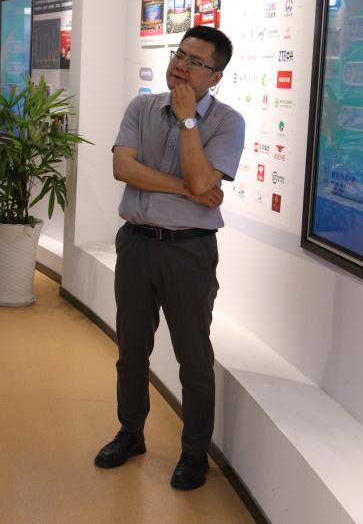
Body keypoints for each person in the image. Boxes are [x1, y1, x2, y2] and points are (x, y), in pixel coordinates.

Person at [94, 25, 245, 490]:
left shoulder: (227, 122)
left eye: (195, 62)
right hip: (136, 243)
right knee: (131, 349)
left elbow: (204, 181)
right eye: (179, 54)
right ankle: (130, 432)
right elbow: (123, 167)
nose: (181, 65)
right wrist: (185, 189)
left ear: (215, 77)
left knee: (193, 357)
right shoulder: (141, 108)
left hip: (189, 251)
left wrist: (187, 121)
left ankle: (195, 454)